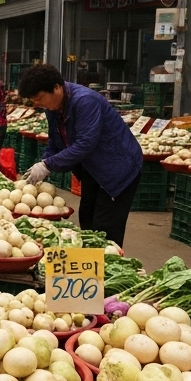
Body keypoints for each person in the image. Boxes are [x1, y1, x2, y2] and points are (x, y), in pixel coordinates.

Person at [18, 63, 143, 246]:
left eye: (39, 98)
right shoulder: (53, 108)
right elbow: (54, 141)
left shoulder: (85, 101)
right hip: (93, 168)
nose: (37, 104)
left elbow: (85, 144)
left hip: (118, 169)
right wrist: (45, 162)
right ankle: (90, 269)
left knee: (105, 228)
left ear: (57, 88)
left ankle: (109, 267)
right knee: (87, 219)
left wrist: (48, 165)